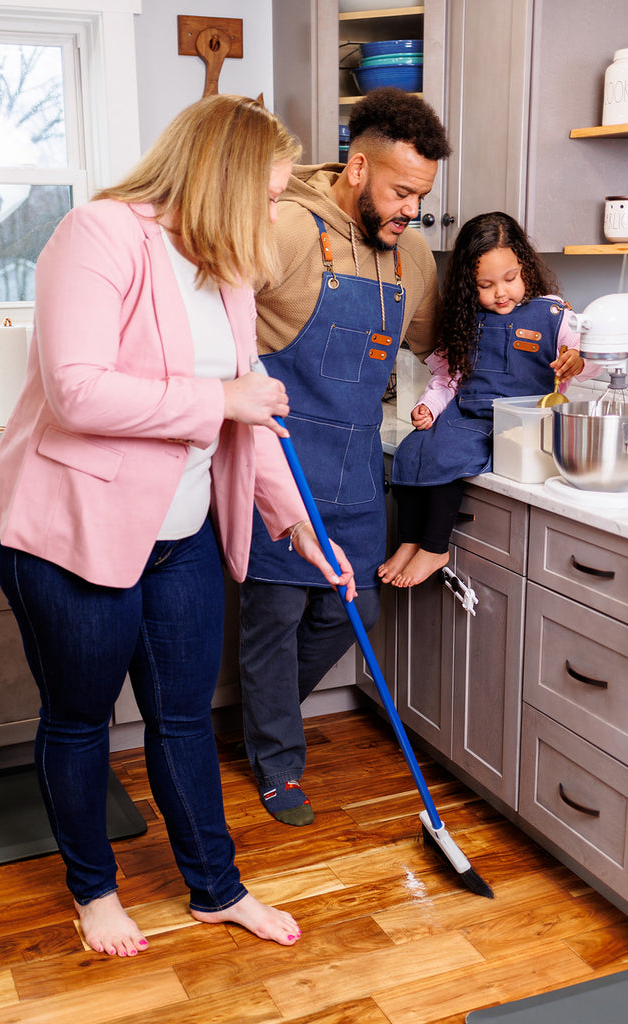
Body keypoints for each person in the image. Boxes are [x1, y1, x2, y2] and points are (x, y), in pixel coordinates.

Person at [0, 94, 357, 957]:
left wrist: (296, 524)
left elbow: (248, 415)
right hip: (71, 535)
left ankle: (215, 889)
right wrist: (219, 397)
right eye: (264, 195)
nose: (272, 211)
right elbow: (78, 390)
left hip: (177, 538)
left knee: (183, 717)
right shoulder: (100, 235)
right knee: (79, 719)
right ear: (219, 179)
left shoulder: (223, 270)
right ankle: (93, 889)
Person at [239, 87, 451, 826]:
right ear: (357, 168)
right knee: (271, 622)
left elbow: (436, 347)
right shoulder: (287, 227)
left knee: (340, 615)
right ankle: (276, 761)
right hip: (282, 469)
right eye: (399, 192)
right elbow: (221, 329)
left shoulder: (411, 252)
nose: (409, 211)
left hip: (359, 471)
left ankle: (264, 725)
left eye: (420, 198)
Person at [380, 211, 595, 589]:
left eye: (510, 278)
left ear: (525, 266)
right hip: (469, 411)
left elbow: (584, 359)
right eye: (486, 284)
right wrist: (430, 405)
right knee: (412, 449)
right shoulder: (467, 319)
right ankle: (410, 539)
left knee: (447, 454)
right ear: (469, 284)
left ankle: (434, 547)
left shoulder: (553, 313)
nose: (501, 292)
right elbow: (450, 376)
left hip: (519, 423)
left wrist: (577, 362)